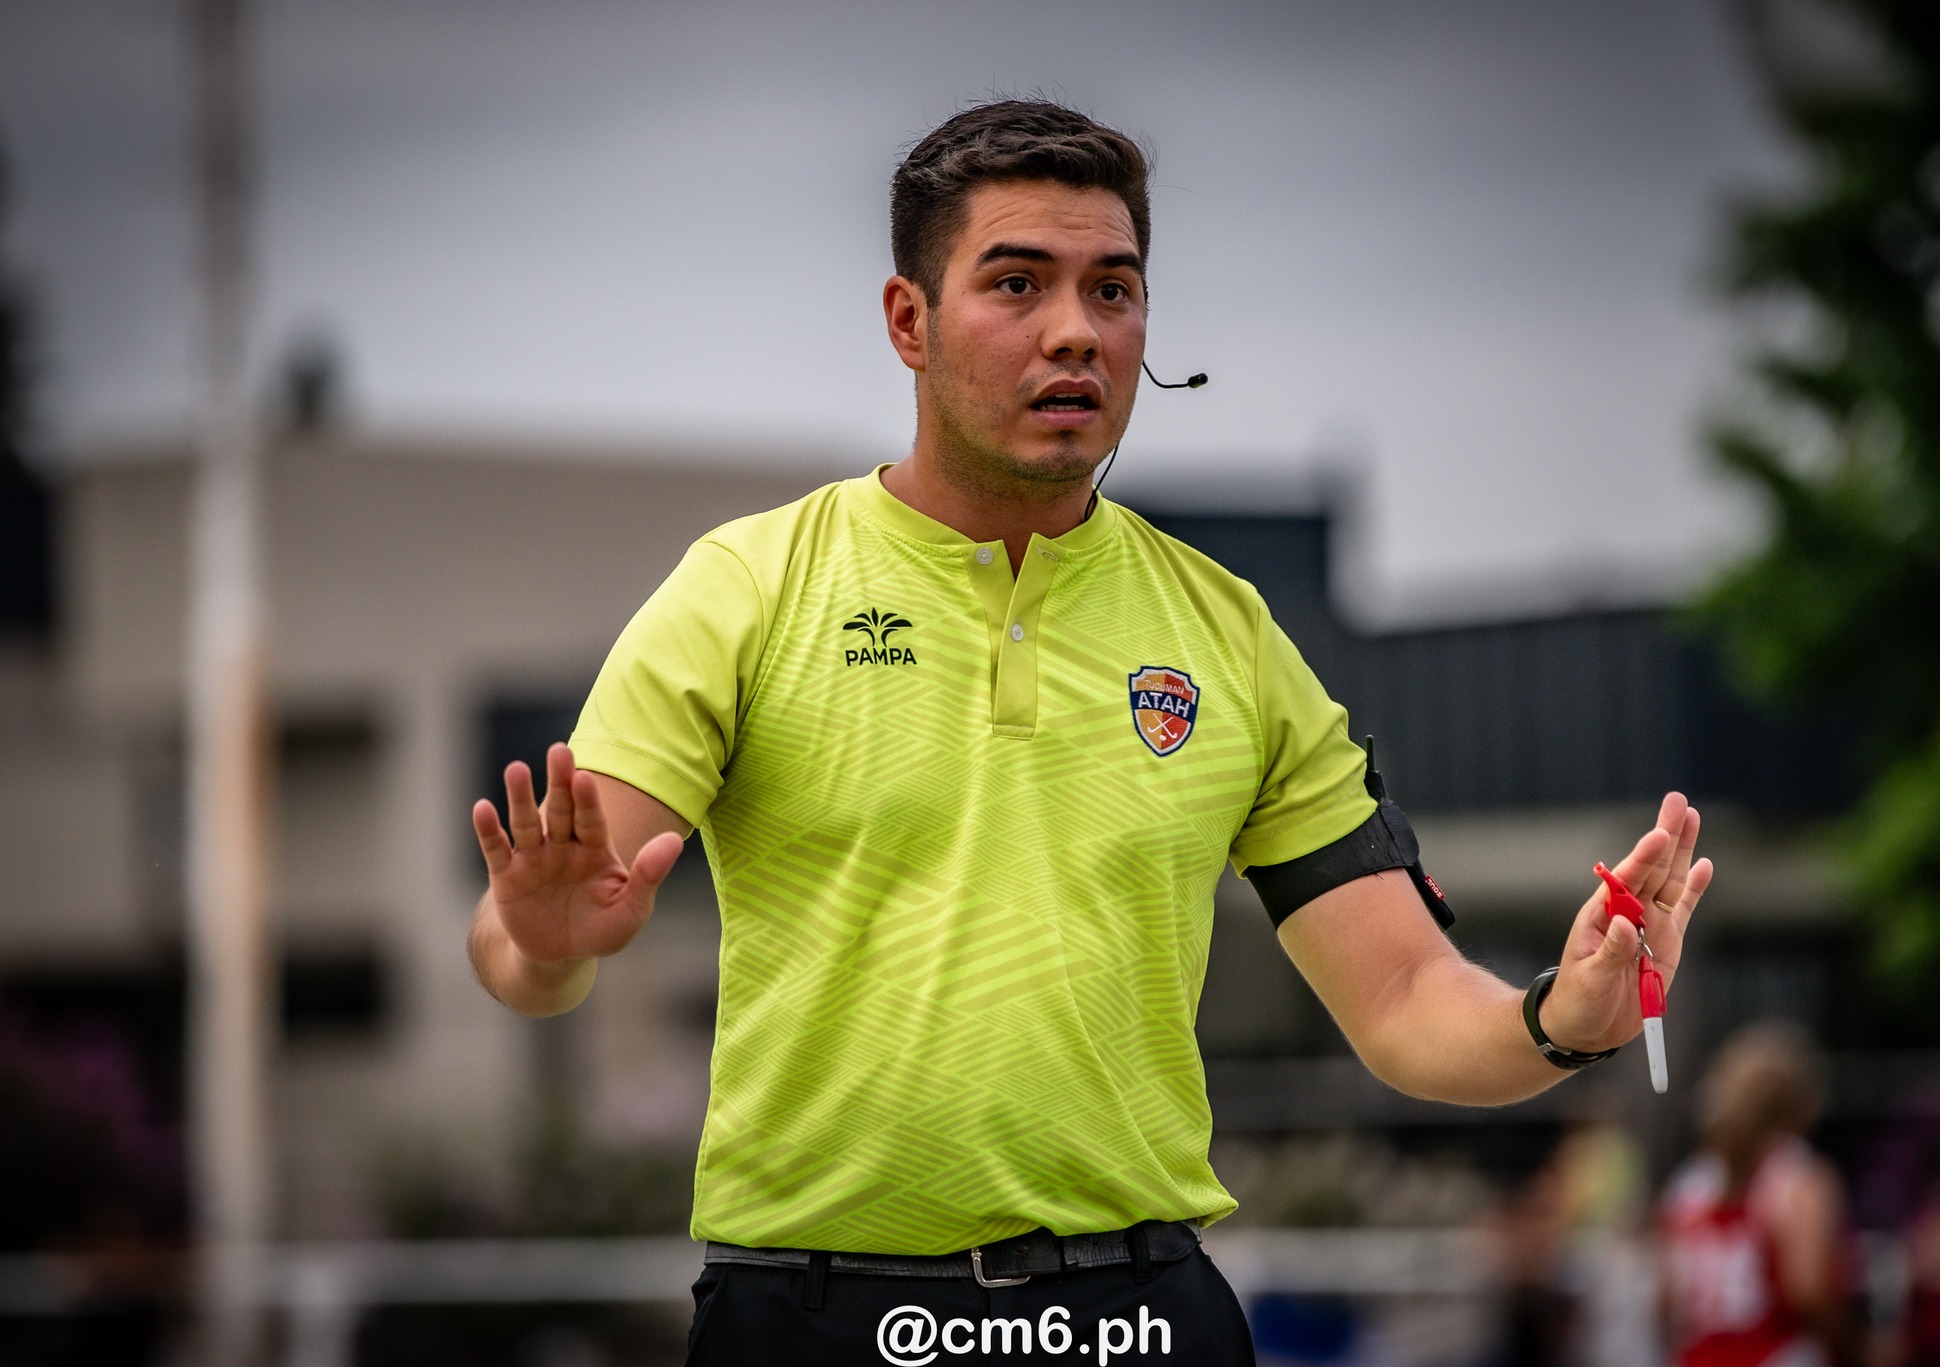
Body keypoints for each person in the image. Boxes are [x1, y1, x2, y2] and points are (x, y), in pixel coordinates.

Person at [466, 99, 1716, 1363]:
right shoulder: (747, 587)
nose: (1074, 330)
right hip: (815, 1315)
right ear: (907, 320)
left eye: (1110, 289)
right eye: (1016, 283)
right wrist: (543, 942)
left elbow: (1402, 997)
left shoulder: (1226, 631)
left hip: (1140, 1313)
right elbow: (520, 941)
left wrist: (1562, 1017)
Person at [1661, 1024, 1860, 1367]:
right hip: (1778, 1353)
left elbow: (1667, 1300)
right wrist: (1856, 1344)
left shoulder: (1688, 1184)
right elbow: (1807, 1289)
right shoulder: (1797, 1177)